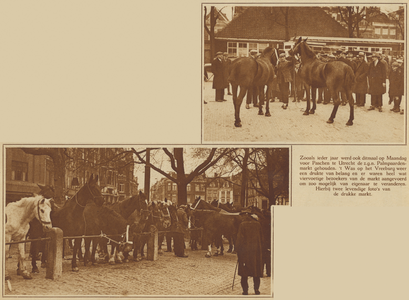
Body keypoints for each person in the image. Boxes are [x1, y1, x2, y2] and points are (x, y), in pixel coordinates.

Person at [236, 208, 263, 295]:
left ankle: (245, 291)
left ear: (246, 215)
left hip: (245, 253)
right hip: (256, 253)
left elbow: (239, 240)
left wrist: (238, 252)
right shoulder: (258, 224)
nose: (242, 217)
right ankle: (256, 290)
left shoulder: (242, 225)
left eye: (243, 215)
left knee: (244, 273)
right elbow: (262, 239)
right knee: (256, 272)